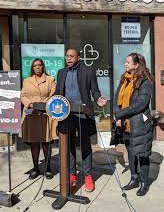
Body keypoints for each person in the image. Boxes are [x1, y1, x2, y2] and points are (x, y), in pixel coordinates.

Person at [55, 48, 107, 192]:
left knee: (85, 145)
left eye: (72, 56)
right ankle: (72, 175)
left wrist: (98, 99)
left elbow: (95, 90)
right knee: (69, 146)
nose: (69, 59)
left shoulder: (88, 71)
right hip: (66, 115)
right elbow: (58, 92)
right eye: (67, 56)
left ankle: (88, 175)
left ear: (78, 57)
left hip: (83, 114)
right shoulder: (61, 73)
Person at [114, 52, 154, 196]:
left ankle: (144, 183)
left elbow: (140, 104)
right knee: (130, 152)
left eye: (128, 62)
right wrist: (117, 115)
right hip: (126, 122)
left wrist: (120, 114)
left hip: (140, 123)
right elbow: (116, 98)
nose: (125, 64)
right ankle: (134, 178)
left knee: (142, 153)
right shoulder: (124, 78)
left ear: (137, 65)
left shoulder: (145, 81)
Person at [21, 58, 58, 180]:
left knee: (46, 142)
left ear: (43, 67)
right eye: (35, 65)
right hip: (31, 113)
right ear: (32, 68)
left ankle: (48, 168)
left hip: (45, 112)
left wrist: (43, 104)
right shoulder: (26, 81)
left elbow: (54, 94)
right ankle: (36, 168)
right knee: (34, 142)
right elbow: (23, 95)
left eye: (40, 65)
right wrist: (30, 104)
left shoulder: (50, 79)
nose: (37, 67)